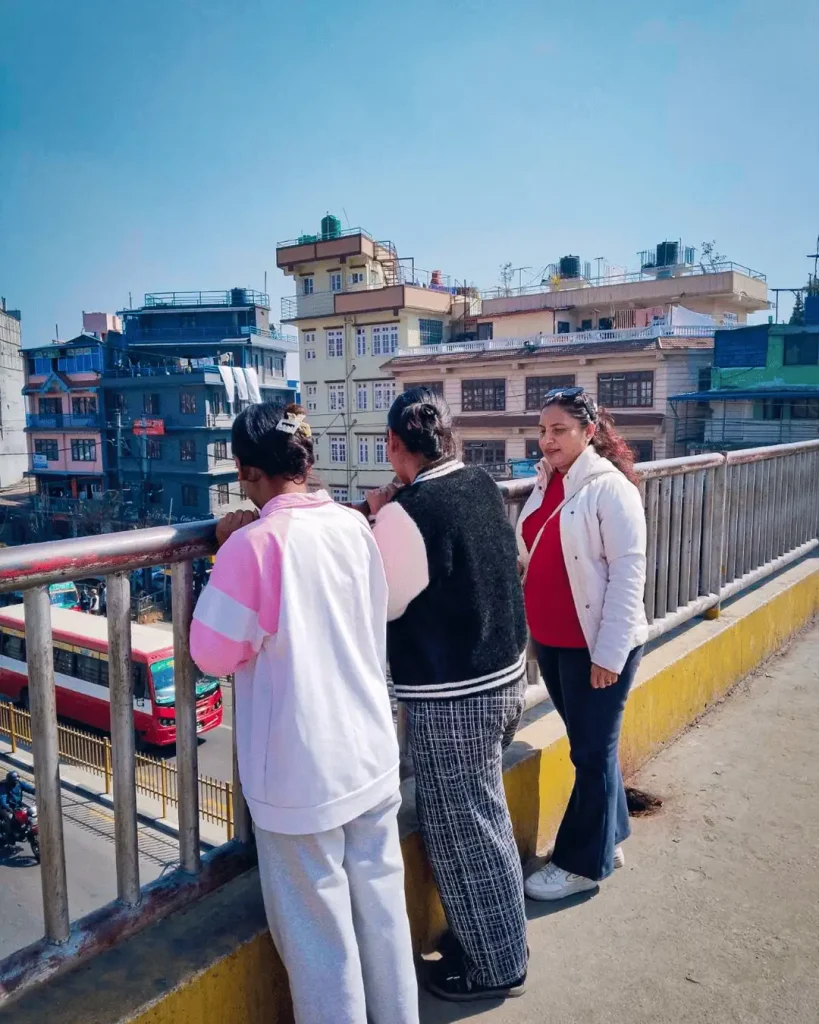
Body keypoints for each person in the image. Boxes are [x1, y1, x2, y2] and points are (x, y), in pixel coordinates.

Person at [189, 402, 418, 1024]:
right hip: (370, 751)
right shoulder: (350, 526)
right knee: (382, 912)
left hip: (300, 775)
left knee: (322, 940)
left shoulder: (253, 546)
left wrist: (222, 549)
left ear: (245, 471)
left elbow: (210, 652)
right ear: (307, 461)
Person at [366, 387, 529, 1003]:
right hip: (503, 674)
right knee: (483, 817)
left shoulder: (412, 511)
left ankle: (498, 967)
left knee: (464, 830)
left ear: (393, 446)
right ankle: (495, 938)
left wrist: (382, 515)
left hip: (454, 696)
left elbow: (385, 601)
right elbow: (511, 558)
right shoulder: (482, 483)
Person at [516, 386, 648, 902]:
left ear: (589, 433)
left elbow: (628, 573)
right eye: (543, 430)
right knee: (592, 746)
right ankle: (609, 835)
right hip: (553, 642)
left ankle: (579, 865)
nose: (547, 440)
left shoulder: (608, 489)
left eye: (559, 430)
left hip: (594, 645)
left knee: (591, 755)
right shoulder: (551, 480)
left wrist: (609, 656)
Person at [0, 770, 35, 843]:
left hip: (17, 806)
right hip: (5, 808)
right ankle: (9, 836)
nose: (16, 782)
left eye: (17, 780)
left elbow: (28, 788)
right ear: (10, 781)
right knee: (9, 818)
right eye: (14, 781)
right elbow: (3, 800)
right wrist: (8, 808)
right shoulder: (4, 787)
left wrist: (34, 791)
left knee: (29, 814)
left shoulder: (19, 784)